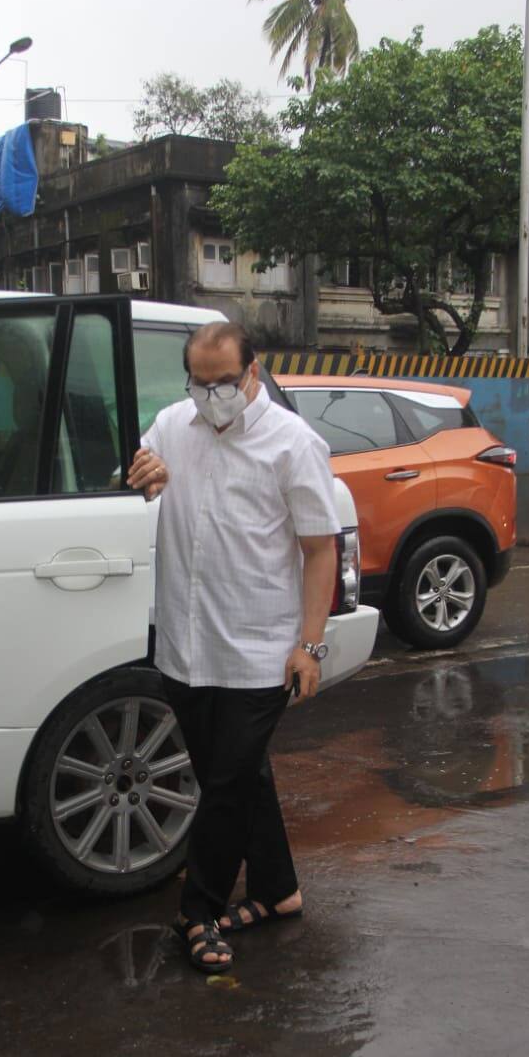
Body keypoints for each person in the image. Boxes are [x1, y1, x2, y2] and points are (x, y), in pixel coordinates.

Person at [127, 321, 340, 973]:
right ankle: (278, 892)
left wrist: (309, 644)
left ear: (252, 372)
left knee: (223, 786)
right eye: (199, 381)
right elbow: (136, 474)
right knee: (240, 777)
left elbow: (317, 549)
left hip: (258, 648)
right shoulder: (170, 426)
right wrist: (141, 472)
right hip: (186, 646)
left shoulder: (292, 444)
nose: (211, 393)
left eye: (225, 381)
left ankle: (199, 910)